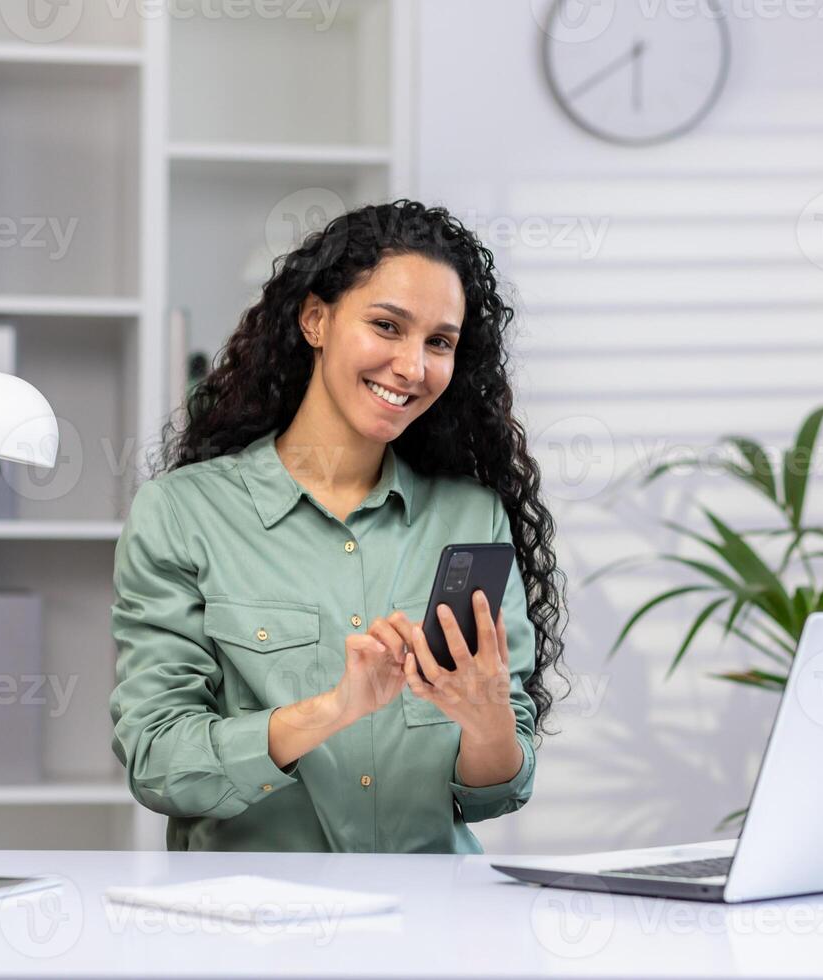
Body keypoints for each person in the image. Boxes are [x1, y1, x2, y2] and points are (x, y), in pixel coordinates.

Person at [110, 199, 567, 852]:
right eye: (387, 326)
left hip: (432, 923)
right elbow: (158, 762)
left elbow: (495, 792)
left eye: (439, 342)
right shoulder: (183, 515)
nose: (413, 367)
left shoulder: (469, 517)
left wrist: (489, 717)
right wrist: (333, 710)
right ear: (316, 319)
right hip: (254, 924)